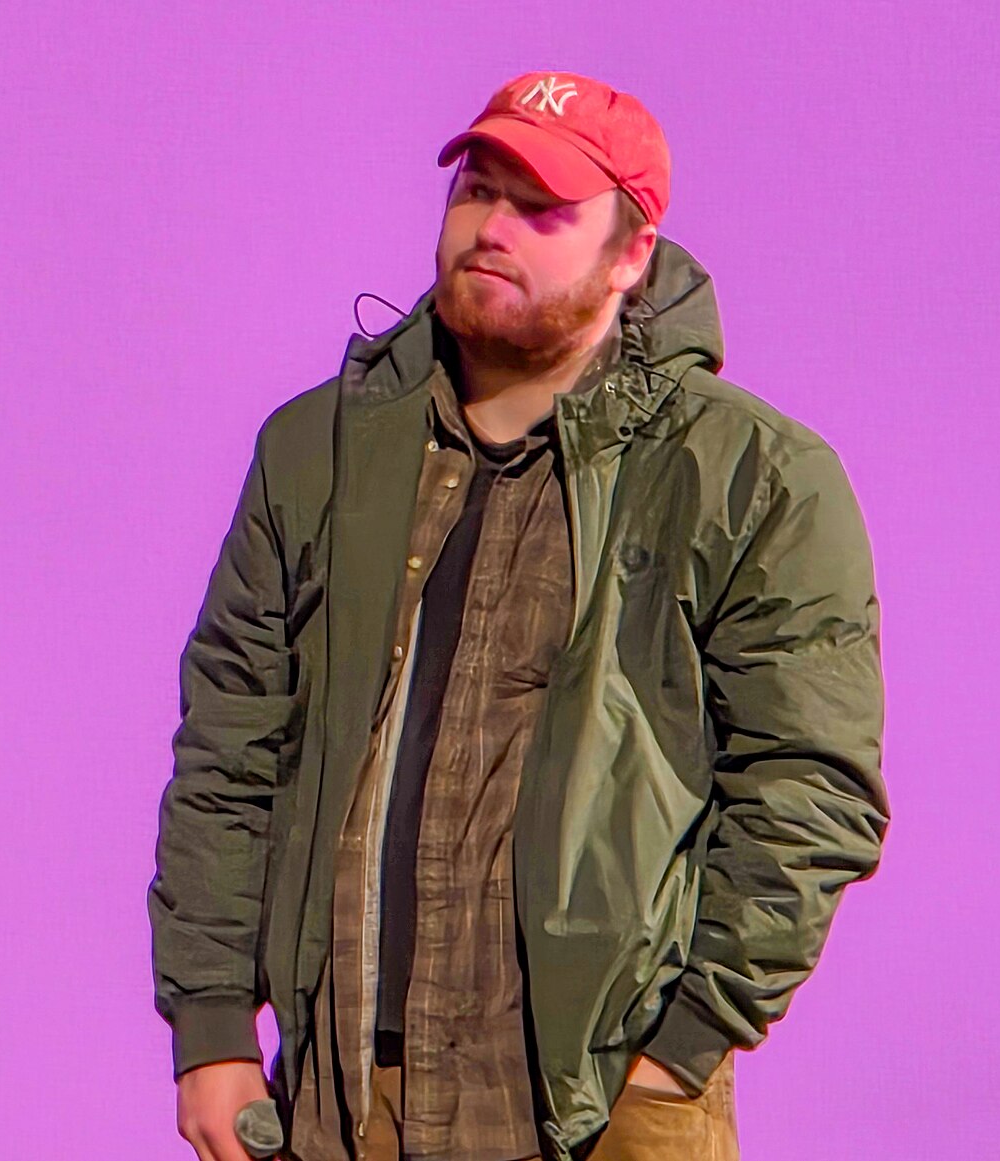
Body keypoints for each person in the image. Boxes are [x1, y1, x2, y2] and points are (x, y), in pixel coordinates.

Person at [150, 71, 885, 1161]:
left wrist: (683, 1045)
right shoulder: (316, 452)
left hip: (601, 1105)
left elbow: (811, 785)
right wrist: (212, 1026)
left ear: (632, 254)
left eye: (542, 208)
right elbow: (230, 748)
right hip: (345, 1101)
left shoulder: (751, 474)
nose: (493, 227)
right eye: (478, 191)